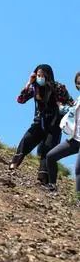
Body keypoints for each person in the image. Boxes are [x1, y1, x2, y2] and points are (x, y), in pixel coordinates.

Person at [9, 65, 73, 185]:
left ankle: (43, 179)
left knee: (48, 150)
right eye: (38, 75)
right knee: (26, 140)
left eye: (42, 75)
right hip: (40, 121)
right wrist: (28, 83)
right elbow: (20, 100)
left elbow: (71, 103)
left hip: (54, 124)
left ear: (48, 76)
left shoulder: (58, 87)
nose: (40, 78)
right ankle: (14, 164)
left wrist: (62, 107)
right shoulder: (34, 88)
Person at [44, 71, 80, 203]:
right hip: (74, 139)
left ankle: (77, 199)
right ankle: (52, 185)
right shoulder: (78, 100)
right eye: (77, 83)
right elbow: (70, 111)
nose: (79, 85)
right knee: (51, 156)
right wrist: (60, 106)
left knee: (78, 169)